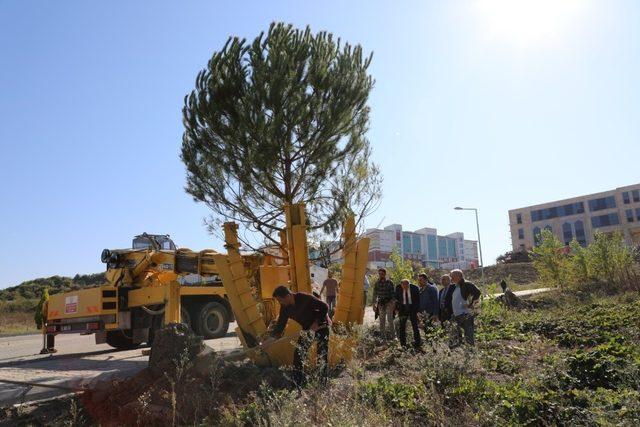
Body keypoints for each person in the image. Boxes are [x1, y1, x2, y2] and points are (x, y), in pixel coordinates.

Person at [271, 285, 330, 386]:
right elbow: (281, 324)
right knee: (298, 354)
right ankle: (297, 383)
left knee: (321, 354)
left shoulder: (304, 298)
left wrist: (316, 322)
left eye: (280, 300)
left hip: (321, 326)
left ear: (288, 296)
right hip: (307, 329)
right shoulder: (285, 308)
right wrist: (271, 338)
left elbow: (324, 306)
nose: (280, 303)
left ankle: (322, 382)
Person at [449, 269, 481, 348]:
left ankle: (471, 353)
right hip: (457, 315)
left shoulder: (466, 284)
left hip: (465, 314)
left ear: (459, 276)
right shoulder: (456, 286)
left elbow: (477, 292)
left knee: (469, 335)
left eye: (452, 276)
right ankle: (462, 352)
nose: (451, 279)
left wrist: (471, 304)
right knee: (457, 334)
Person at [395, 279, 422, 350]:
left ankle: (418, 343)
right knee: (402, 327)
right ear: (401, 285)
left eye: (407, 286)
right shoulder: (398, 288)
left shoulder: (415, 288)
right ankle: (403, 345)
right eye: (403, 286)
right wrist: (397, 308)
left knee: (415, 326)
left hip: (412, 309)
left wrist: (416, 311)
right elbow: (396, 299)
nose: (405, 287)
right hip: (402, 310)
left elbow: (418, 301)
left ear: (409, 284)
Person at [372, 268, 396, 341]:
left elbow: (393, 294)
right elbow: (375, 294)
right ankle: (383, 337)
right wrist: (374, 304)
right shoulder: (377, 283)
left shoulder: (389, 282)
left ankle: (394, 336)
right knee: (382, 321)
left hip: (388, 303)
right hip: (381, 304)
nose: (380, 275)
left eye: (382, 274)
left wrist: (393, 303)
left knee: (390, 320)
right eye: (379, 274)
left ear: (385, 274)